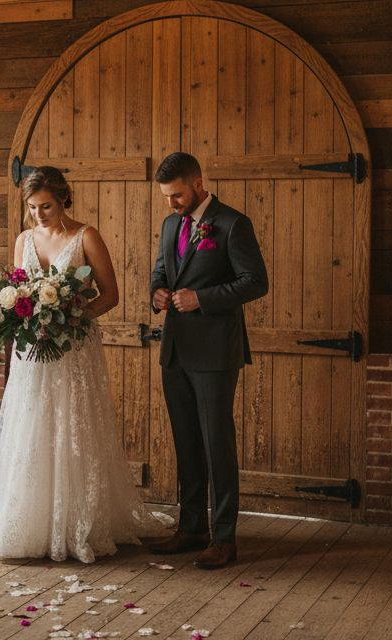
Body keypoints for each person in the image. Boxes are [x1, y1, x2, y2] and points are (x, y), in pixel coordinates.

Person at [0, 166, 171, 562]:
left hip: (74, 349)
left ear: (63, 198)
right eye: (32, 208)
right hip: (31, 352)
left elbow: (110, 295)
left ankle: (77, 522)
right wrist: (20, 317)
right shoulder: (24, 239)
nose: (38, 215)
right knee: (31, 426)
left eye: (45, 206)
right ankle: (27, 522)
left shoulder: (87, 237)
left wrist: (71, 316)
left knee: (72, 425)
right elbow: (17, 290)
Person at [147, 152, 269, 569]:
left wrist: (203, 299)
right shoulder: (169, 225)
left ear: (198, 183)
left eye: (177, 195)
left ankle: (225, 537)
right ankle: (192, 527)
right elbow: (162, 272)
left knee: (217, 443)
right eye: (166, 196)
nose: (172, 204)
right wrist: (157, 293)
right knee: (186, 442)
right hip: (176, 349)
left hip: (216, 352)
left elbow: (255, 282)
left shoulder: (233, 224)